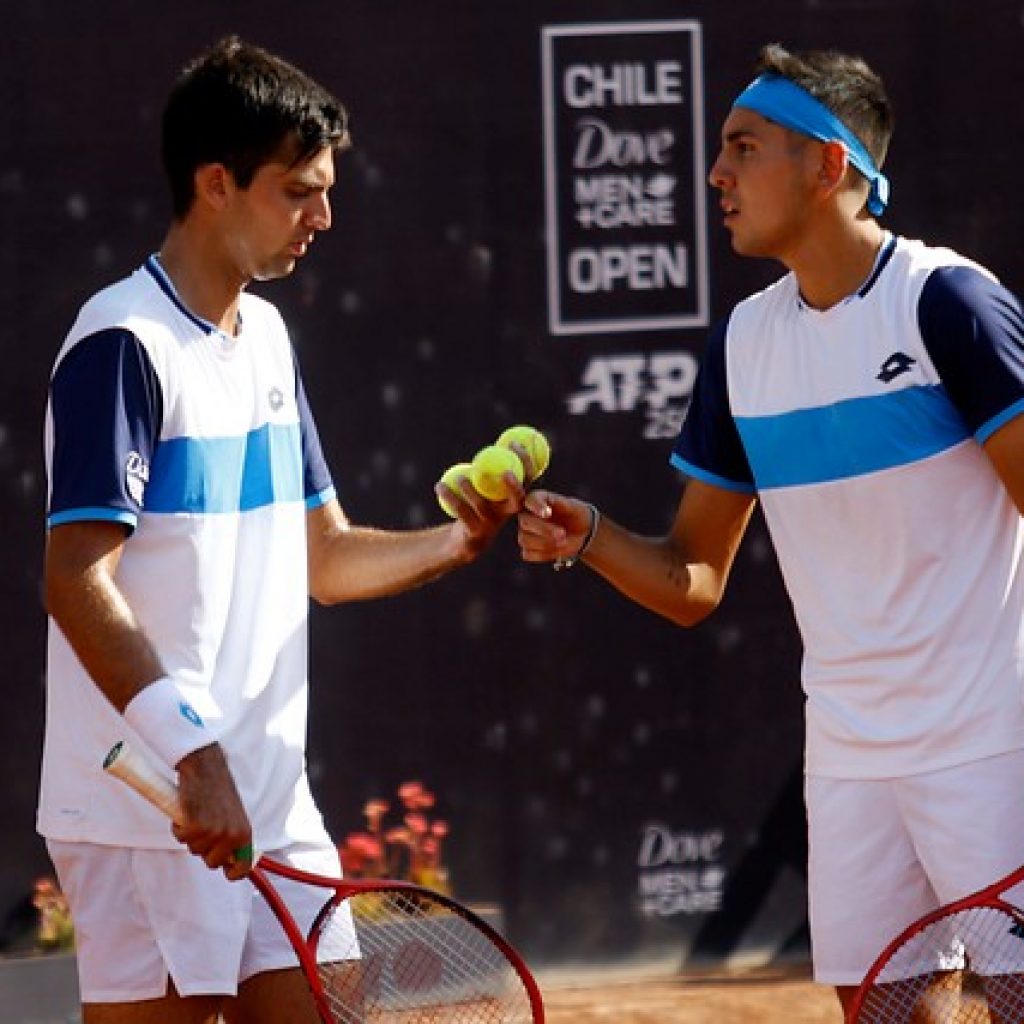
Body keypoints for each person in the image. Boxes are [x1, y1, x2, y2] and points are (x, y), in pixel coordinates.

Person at [517, 43, 1024, 1016]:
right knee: (881, 1010)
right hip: (847, 755)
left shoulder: (946, 303)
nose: (715, 173)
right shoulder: (745, 344)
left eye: (743, 147)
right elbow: (690, 577)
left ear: (829, 165)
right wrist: (588, 535)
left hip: (992, 742)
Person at [41, 37, 525, 1024]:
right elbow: (75, 577)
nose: (324, 216)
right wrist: (194, 754)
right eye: (299, 191)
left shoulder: (265, 335)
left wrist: (455, 542)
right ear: (217, 183)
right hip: (149, 809)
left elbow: (325, 556)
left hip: (266, 793)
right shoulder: (120, 345)